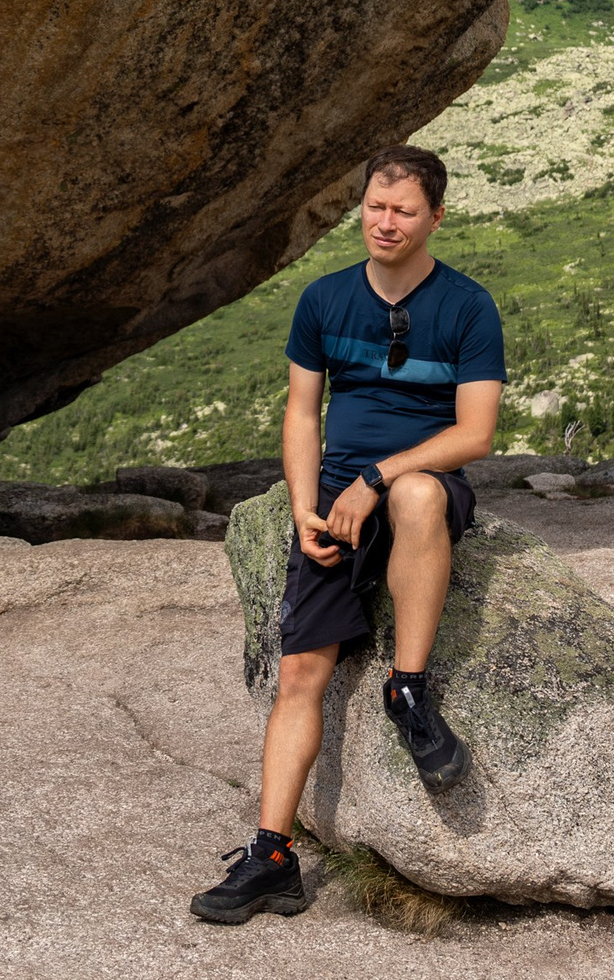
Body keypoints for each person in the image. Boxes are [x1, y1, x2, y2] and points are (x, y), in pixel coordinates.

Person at [189, 144, 505, 925]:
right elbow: (302, 412)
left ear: (436, 216)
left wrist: (379, 475)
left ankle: (408, 687)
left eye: (403, 209)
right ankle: (271, 856)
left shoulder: (468, 306)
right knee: (301, 672)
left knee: (421, 496)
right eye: (375, 206)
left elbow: (476, 433)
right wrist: (305, 507)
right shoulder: (324, 300)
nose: (385, 221)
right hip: (333, 493)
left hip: (418, 479)